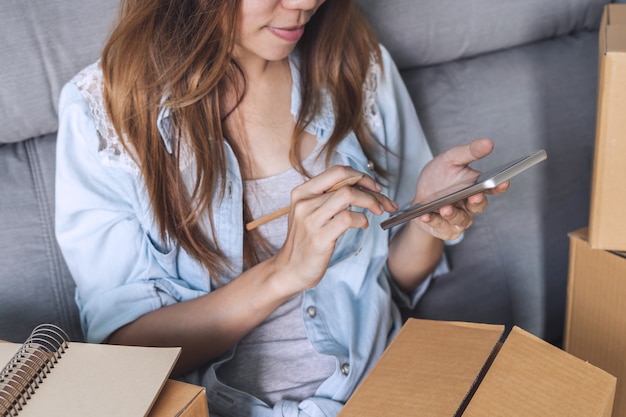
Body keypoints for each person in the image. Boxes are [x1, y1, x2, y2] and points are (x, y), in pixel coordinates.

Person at [54, 0, 508, 416]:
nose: (305, 3)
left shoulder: (355, 64)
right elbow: (126, 353)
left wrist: (427, 217)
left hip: (385, 389)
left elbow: (394, 281)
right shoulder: (107, 113)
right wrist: (283, 273)